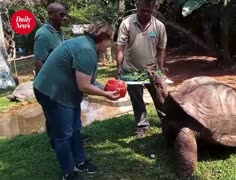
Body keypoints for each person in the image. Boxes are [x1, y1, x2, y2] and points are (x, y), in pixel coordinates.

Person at [33, 21, 120, 180]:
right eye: (111, 40)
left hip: (65, 92)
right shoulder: (86, 49)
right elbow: (84, 86)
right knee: (63, 134)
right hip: (51, 92)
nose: (111, 44)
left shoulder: (86, 44)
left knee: (75, 128)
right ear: (103, 37)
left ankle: (80, 161)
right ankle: (68, 172)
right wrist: (105, 94)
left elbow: (88, 78)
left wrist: (105, 87)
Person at [33, 3, 90, 149]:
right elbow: (39, 63)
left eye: (66, 14)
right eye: (61, 15)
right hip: (50, 84)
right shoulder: (43, 35)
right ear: (51, 14)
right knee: (53, 115)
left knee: (70, 110)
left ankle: (74, 135)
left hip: (64, 82)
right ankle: (55, 141)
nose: (65, 18)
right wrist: (48, 87)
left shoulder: (60, 32)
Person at [116, 0, 167, 138]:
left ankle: (166, 121)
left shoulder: (159, 26)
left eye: (149, 11)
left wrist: (161, 67)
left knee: (160, 96)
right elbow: (120, 47)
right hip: (131, 69)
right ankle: (142, 125)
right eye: (142, 10)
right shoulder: (126, 23)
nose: (145, 13)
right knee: (137, 99)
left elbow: (161, 49)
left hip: (152, 69)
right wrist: (119, 66)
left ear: (153, 10)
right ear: (137, 8)